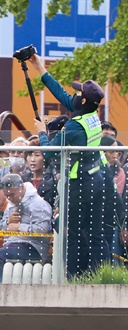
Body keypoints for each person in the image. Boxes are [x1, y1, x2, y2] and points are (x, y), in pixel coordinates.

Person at [30, 53, 110, 278]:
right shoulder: (91, 115)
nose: (74, 94)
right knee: (94, 233)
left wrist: (41, 132)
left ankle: (73, 278)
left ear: (83, 100)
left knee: (71, 232)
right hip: (96, 180)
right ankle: (97, 276)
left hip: (80, 184)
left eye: (78, 93)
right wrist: (40, 68)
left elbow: (51, 151)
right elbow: (64, 96)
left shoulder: (75, 127)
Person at [0, 174, 52, 283]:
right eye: (7, 195)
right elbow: (2, 227)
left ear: (22, 188)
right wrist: (8, 221)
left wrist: (19, 227)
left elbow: (43, 228)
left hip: (32, 246)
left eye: (12, 194)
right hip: (11, 244)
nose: (10, 198)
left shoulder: (39, 204)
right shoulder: (10, 204)